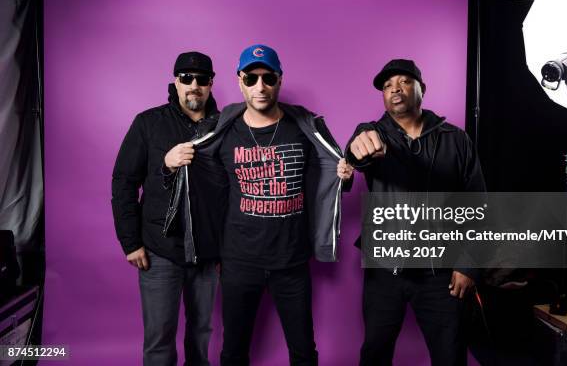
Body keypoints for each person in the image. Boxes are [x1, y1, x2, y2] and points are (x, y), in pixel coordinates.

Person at [165, 44, 352, 366]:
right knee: (234, 352)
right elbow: (205, 187)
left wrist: (344, 177)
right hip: (239, 262)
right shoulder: (221, 130)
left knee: (304, 351)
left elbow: (329, 172)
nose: (260, 87)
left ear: (279, 79)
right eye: (251, 78)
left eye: (268, 78)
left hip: (292, 262)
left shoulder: (306, 126)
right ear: (239, 80)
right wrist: (170, 164)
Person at [345, 59, 486, 366]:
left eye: (404, 82)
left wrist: (468, 265)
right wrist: (358, 150)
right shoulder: (372, 132)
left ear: (423, 89)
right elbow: (358, 151)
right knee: (375, 353)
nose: (395, 89)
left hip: (441, 273)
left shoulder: (456, 139)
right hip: (385, 271)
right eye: (386, 86)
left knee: (450, 355)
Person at [111, 51, 222, 366]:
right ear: (176, 81)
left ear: (211, 83)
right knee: (159, 338)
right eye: (186, 78)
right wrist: (130, 242)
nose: (194, 85)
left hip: (207, 252)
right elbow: (123, 182)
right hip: (160, 250)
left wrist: (228, 249)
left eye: (201, 79)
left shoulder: (226, 126)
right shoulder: (148, 123)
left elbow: (232, 191)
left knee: (201, 332)